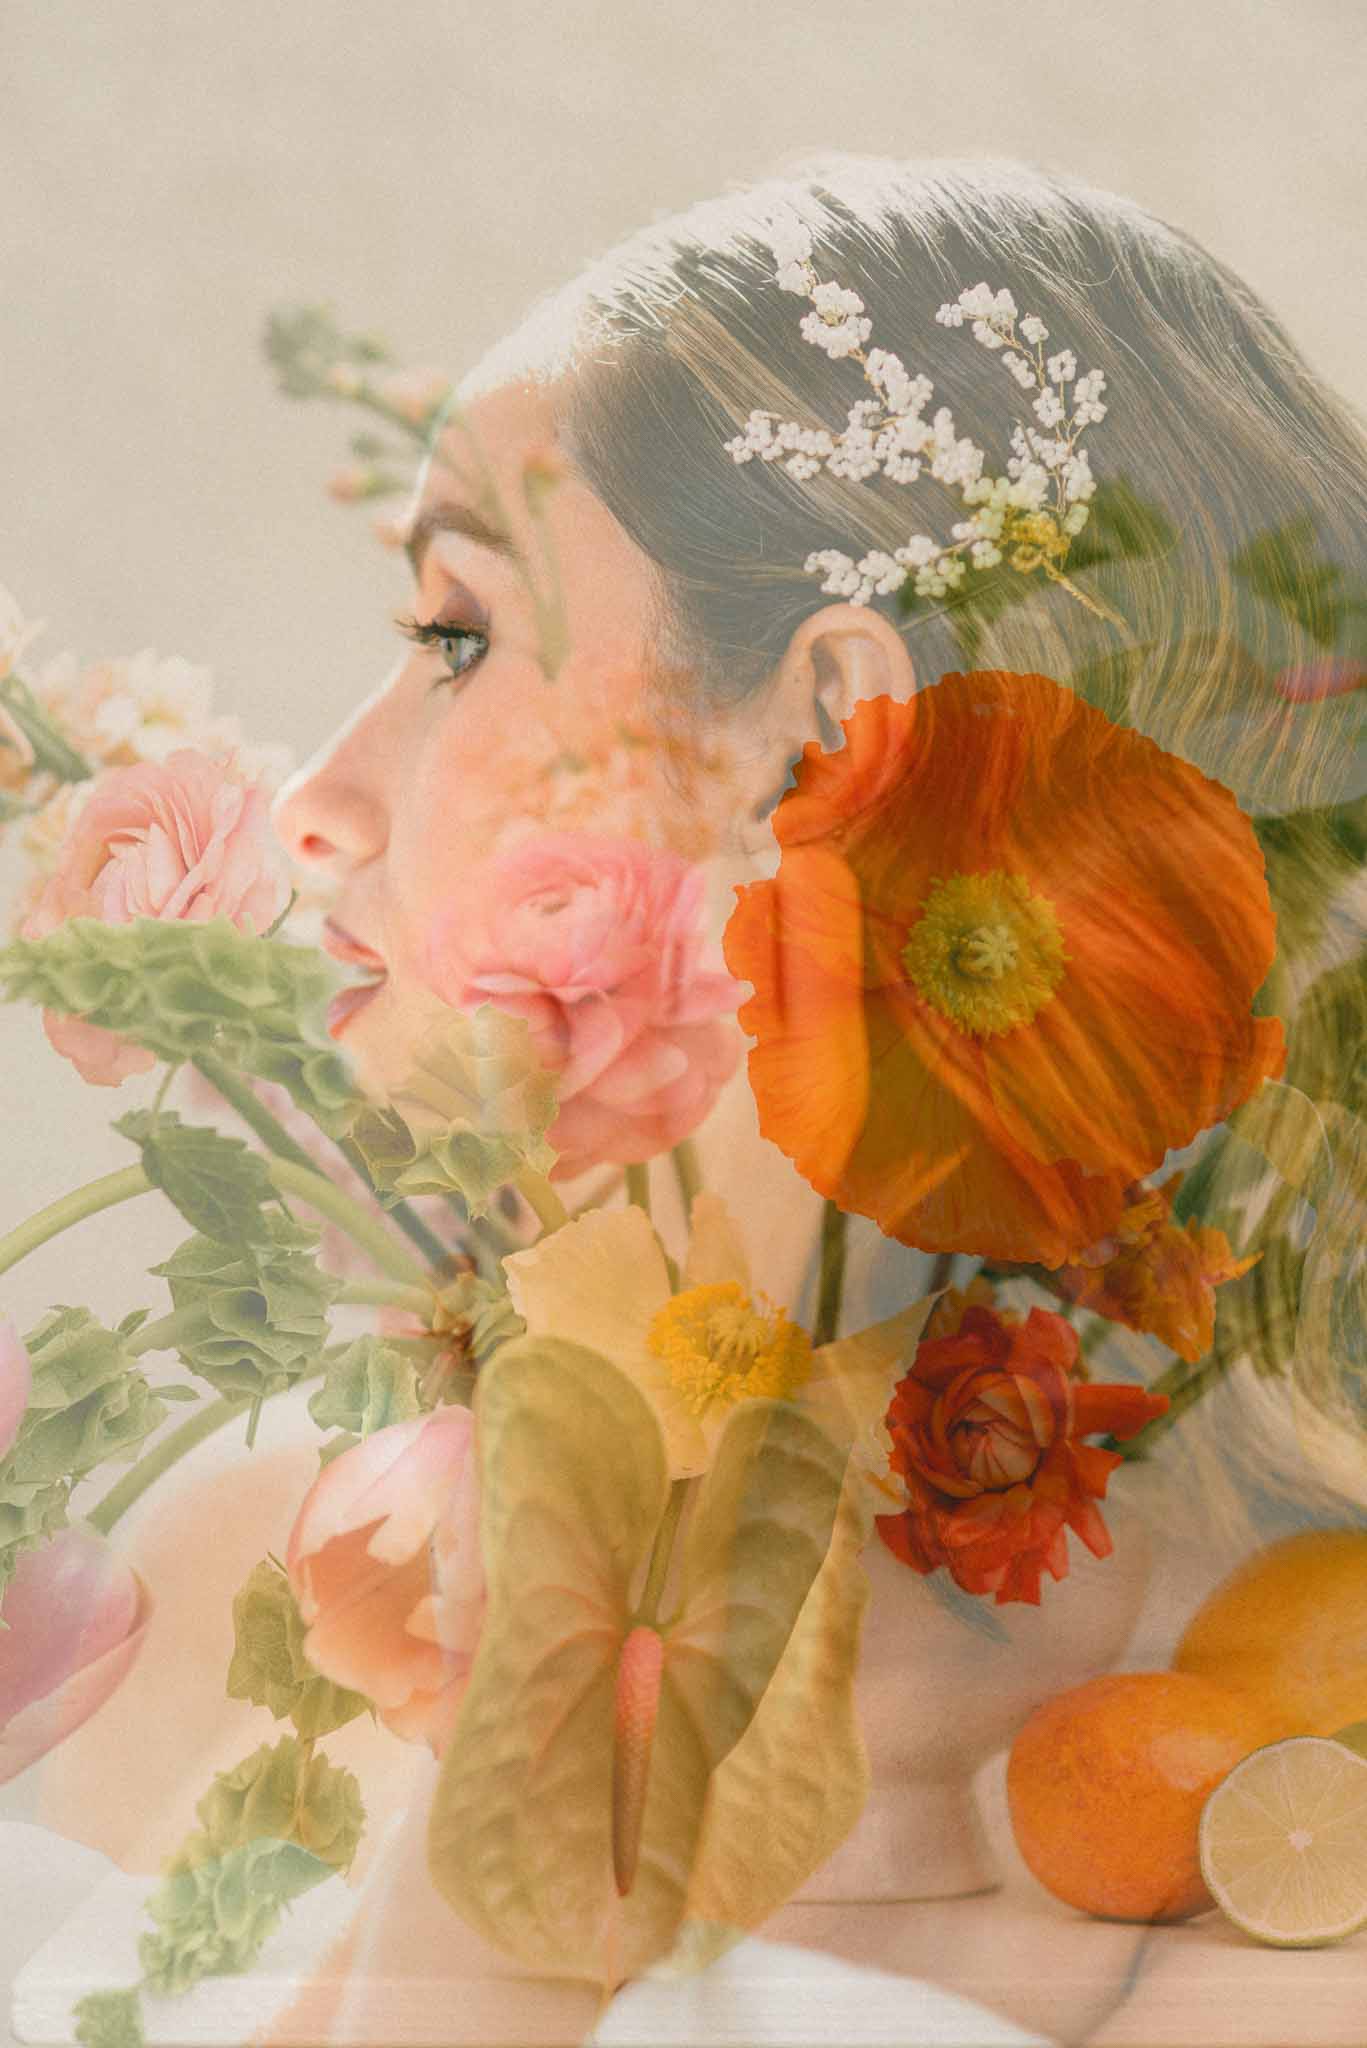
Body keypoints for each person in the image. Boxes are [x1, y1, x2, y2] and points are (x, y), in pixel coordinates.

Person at [36, 154, 1366, 2045]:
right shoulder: (229, 1606)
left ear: (830, 733)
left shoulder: (1291, 1818)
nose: (315, 798)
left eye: (455, 637)